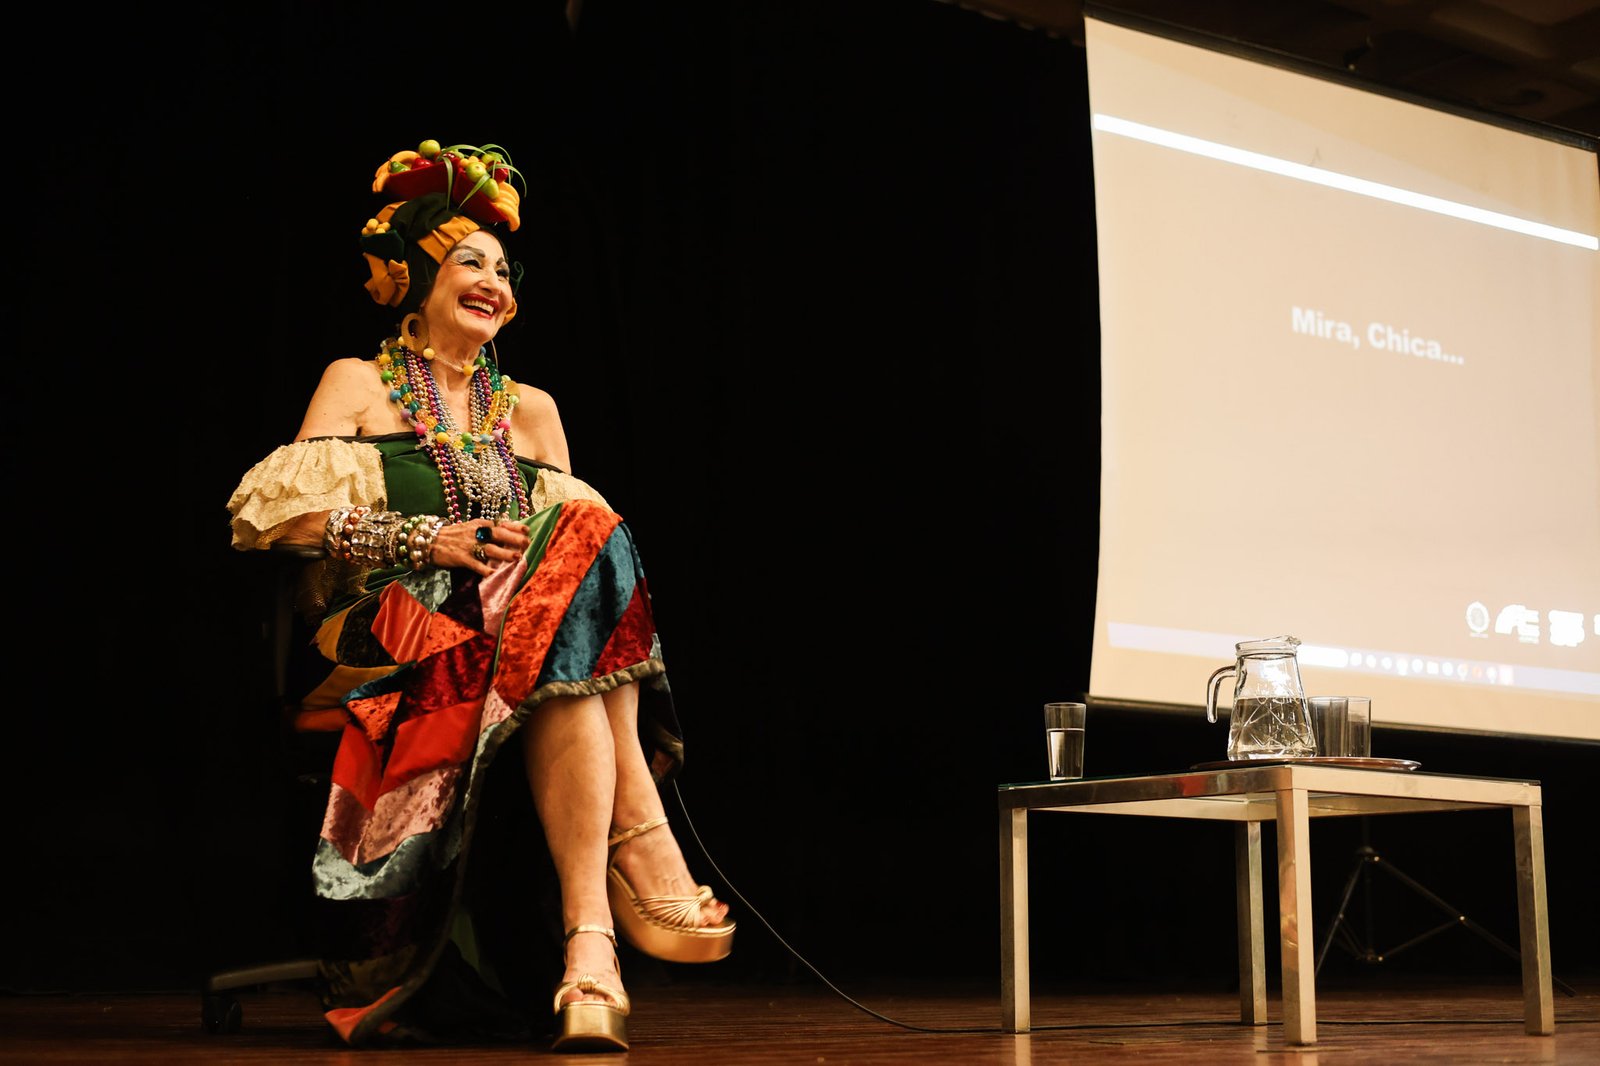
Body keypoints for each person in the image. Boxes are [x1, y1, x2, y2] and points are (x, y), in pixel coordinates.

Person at [225, 139, 734, 1052]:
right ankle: (642, 841)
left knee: (583, 557)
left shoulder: (531, 409)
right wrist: (429, 538)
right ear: (417, 272)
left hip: (517, 646)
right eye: (471, 260)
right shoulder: (357, 385)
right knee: (581, 556)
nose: (495, 281)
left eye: (505, 268)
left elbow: (589, 581)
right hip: (385, 637)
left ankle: (590, 949)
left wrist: (518, 562)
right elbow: (279, 526)